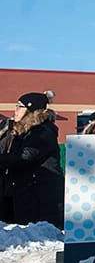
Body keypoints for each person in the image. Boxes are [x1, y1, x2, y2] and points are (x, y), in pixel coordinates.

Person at [0, 92, 64, 227]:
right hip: (19, 194)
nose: (15, 111)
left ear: (31, 110)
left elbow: (24, 157)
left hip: (39, 198)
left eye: (19, 106)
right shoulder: (18, 130)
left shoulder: (43, 132)